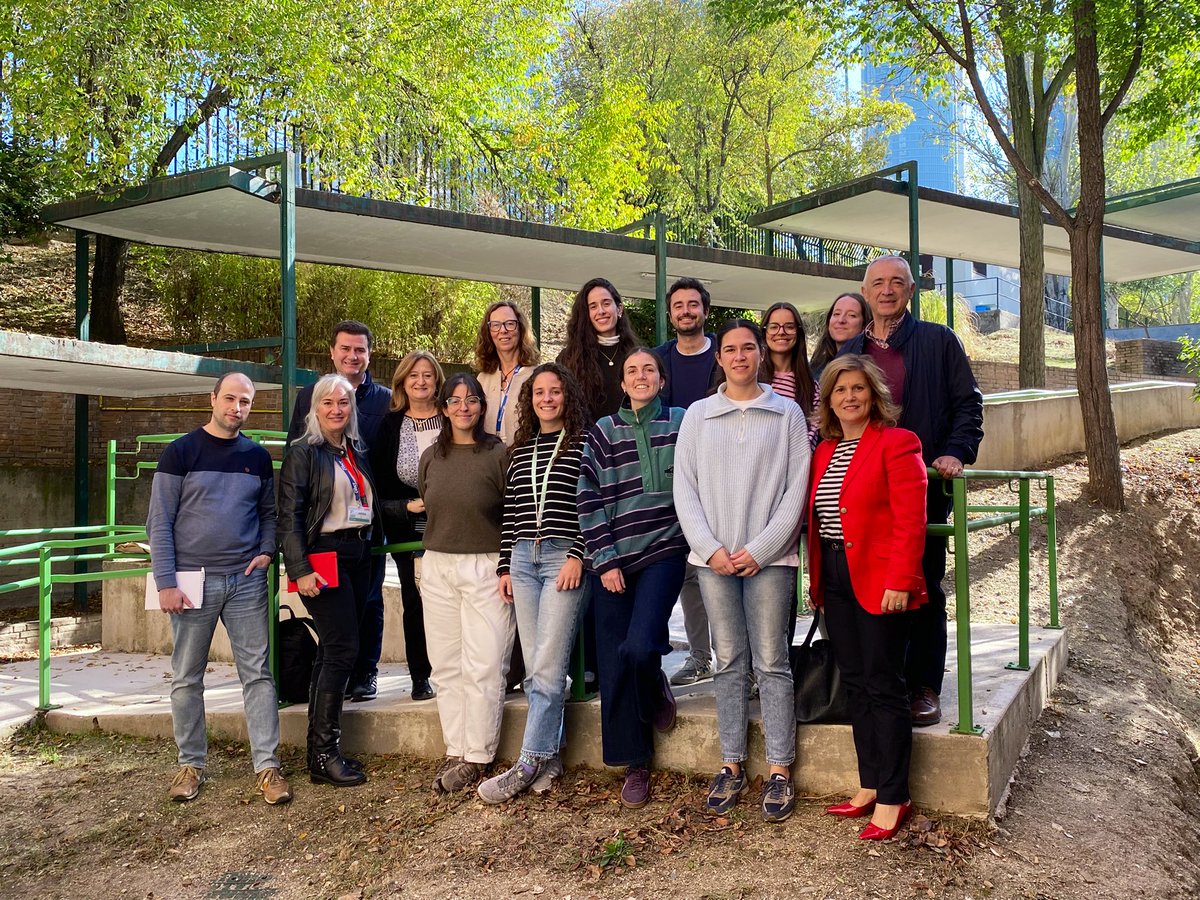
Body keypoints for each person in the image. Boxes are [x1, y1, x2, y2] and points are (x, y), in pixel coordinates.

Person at [674, 320, 810, 823]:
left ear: (760, 355)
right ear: (719, 358)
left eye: (747, 348)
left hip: (769, 561)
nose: (738, 356)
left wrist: (761, 549)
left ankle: (779, 768)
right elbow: (684, 488)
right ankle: (730, 762)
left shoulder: (786, 413)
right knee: (728, 659)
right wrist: (709, 549)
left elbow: (796, 489)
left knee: (772, 661)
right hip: (712, 561)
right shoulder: (699, 415)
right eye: (729, 349)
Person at [838, 256, 984, 726]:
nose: (887, 290)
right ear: (865, 291)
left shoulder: (938, 341)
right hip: (860, 487)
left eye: (897, 282)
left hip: (920, 485)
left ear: (911, 290)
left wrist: (955, 452)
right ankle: (880, 681)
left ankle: (923, 684)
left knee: (922, 583)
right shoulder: (849, 349)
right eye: (878, 283)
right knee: (867, 583)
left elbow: (968, 404)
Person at [147, 372, 291, 805]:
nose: (236, 408)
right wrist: (166, 582)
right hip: (192, 584)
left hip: (245, 581)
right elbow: (159, 521)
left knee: (258, 675)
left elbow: (268, 514)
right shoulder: (180, 452)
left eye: (245, 401)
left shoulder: (257, 457)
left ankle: (267, 767)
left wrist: (266, 551)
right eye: (229, 398)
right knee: (187, 678)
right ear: (213, 399)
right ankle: (191, 765)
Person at [809, 354, 928, 841]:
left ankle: (895, 795)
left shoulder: (898, 443)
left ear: (874, 394)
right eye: (840, 390)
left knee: (883, 684)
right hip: (835, 577)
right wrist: (818, 584)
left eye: (858, 388)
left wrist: (901, 579)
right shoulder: (824, 450)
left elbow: (911, 520)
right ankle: (870, 784)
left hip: (881, 580)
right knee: (855, 683)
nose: (849, 397)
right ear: (828, 400)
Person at [578, 348, 688, 809]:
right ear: (622, 384)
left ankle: (654, 683)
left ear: (661, 380)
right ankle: (636, 762)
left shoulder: (682, 422)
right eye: (631, 372)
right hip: (612, 561)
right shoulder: (603, 431)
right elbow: (588, 498)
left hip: (664, 549)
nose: (640, 377)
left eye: (649, 370)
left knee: (640, 647)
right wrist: (605, 561)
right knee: (613, 661)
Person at [478, 363, 589, 803]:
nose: (547, 399)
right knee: (536, 664)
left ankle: (526, 763)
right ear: (530, 400)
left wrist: (578, 553)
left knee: (547, 667)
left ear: (567, 396)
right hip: (524, 559)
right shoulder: (520, 450)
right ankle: (551, 757)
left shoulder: (582, 444)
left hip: (563, 557)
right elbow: (511, 513)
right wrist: (505, 565)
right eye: (539, 392)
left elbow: (592, 505)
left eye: (555, 391)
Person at [279, 373, 381, 788]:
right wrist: (299, 569)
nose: (337, 409)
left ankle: (318, 753)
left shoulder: (355, 451)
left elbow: (366, 503)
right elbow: (289, 516)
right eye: (328, 403)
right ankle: (325, 752)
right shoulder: (304, 452)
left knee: (332, 651)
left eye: (343, 403)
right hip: (323, 558)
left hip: (359, 556)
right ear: (315, 409)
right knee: (342, 649)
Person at [418, 373, 513, 793]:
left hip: (486, 564)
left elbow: (513, 513)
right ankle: (455, 748)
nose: (463, 407)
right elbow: (429, 502)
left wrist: (506, 566)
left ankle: (477, 754)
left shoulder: (498, 454)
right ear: (443, 408)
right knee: (445, 664)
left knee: (485, 664)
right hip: (439, 564)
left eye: (471, 399)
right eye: (454, 401)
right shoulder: (431, 456)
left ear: (481, 406)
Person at [288, 321, 392, 703]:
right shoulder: (309, 396)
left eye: (360, 349)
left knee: (370, 602)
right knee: (338, 635)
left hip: (367, 522)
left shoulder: (385, 400)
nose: (352, 356)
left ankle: (365, 672)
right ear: (332, 352)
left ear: (369, 355)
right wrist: (298, 561)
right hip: (325, 531)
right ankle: (333, 694)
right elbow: (295, 467)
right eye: (345, 349)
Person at [654, 277, 721, 689]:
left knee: (726, 569)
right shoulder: (658, 359)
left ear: (705, 311)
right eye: (678, 305)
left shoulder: (724, 354)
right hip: (673, 476)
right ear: (670, 313)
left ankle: (740, 662)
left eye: (693, 305)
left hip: (722, 474)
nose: (685, 311)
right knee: (686, 572)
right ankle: (700, 657)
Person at [370, 351, 443, 703]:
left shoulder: (451, 416)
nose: (421, 381)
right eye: (413, 375)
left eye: (427, 374)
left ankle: (453, 670)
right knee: (415, 601)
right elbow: (379, 485)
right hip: (409, 525)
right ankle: (420, 676)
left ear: (437, 380)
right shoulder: (390, 425)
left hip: (452, 522)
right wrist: (407, 507)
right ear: (402, 381)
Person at [558, 276, 643, 423]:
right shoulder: (568, 359)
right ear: (586, 314)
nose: (601, 311)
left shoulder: (637, 355)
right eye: (593, 306)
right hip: (587, 436)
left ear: (619, 309)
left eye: (606, 303)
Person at [476, 300, 540, 447]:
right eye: (495, 325)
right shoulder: (482, 379)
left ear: (520, 328)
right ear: (488, 332)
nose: (503, 330)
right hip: (488, 455)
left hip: (524, 455)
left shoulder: (536, 375)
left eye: (510, 324)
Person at [810, 292, 870, 380]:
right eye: (836, 314)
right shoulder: (816, 367)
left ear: (864, 325)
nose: (841, 320)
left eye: (851, 315)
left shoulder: (867, 368)